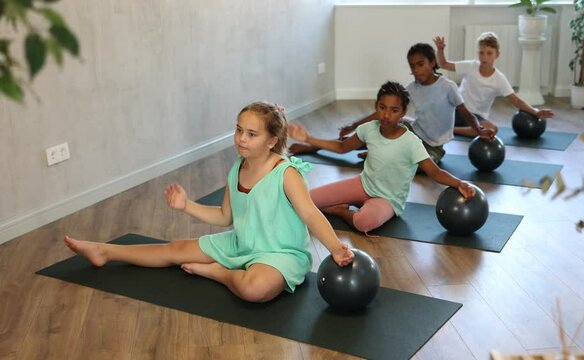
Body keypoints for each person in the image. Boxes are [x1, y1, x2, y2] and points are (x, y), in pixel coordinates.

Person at [64, 101, 354, 303]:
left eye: (251, 134)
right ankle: (104, 251)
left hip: (279, 253)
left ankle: (219, 273)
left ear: (271, 140)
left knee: (255, 290)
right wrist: (186, 205)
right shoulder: (236, 169)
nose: (241, 138)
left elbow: (310, 214)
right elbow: (225, 216)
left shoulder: (286, 173)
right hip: (242, 242)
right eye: (238, 129)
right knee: (176, 248)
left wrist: (336, 249)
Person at [288, 81, 477, 234]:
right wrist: (308, 138)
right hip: (363, 185)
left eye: (394, 110)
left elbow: (433, 171)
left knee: (364, 222)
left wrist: (458, 183)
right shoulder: (368, 129)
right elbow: (342, 147)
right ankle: (345, 205)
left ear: (403, 113)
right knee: (305, 199)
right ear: (376, 106)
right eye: (382, 107)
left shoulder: (411, 142)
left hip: (388, 200)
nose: (386, 115)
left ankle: (340, 211)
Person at [289, 43, 495, 164]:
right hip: (411, 130)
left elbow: (465, 112)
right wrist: (353, 125)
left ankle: (376, 152)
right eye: (412, 66)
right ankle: (313, 147)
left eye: (421, 64)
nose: (416, 70)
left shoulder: (447, 87)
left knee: (420, 165)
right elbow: (384, 112)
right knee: (365, 134)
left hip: (432, 147)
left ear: (433, 63)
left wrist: (477, 128)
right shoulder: (412, 88)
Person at [433, 32, 555, 138]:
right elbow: (443, 64)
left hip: (476, 118)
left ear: (497, 55)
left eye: (489, 53)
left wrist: (535, 112)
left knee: (491, 130)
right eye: (481, 53)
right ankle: (451, 127)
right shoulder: (470, 66)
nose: (484, 57)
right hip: (458, 110)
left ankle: (451, 130)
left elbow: (516, 101)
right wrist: (440, 50)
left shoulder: (499, 79)